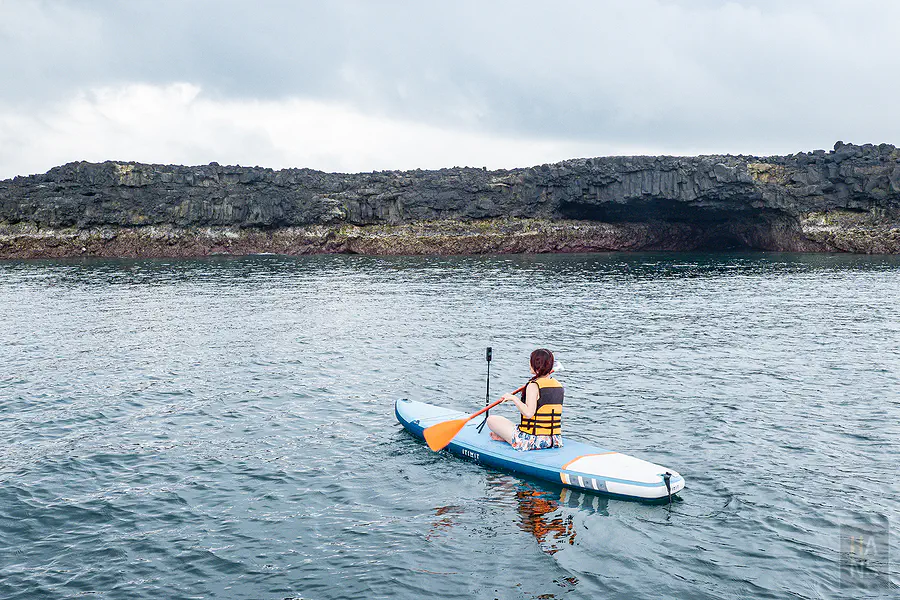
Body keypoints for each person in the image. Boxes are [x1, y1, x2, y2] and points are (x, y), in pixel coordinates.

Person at [487, 348, 563, 451]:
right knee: (516, 426)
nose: (529, 365)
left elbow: (528, 413)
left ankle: (512, 439)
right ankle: (506, 438)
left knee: (491, 420)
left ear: (536, 365)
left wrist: (513, 398)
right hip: (554, 440)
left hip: (533, 441)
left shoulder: (533, 385)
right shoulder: (558, 385)